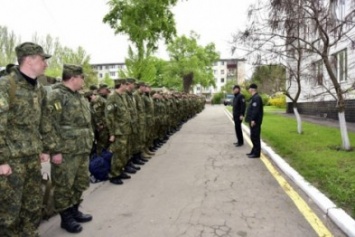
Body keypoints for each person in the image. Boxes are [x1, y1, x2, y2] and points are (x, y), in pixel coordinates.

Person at [0, 42, 51, 237]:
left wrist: (45, 148)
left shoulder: (39, 88)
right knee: (9, 211)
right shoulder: (6, 85)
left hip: (32, 156)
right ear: (29, 60)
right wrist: (1, 160)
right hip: (11, 159)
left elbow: (44, 120)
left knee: (32, 204)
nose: (45, 64)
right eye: (42, 59)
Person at [41, 64, 94, 233]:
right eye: (82, 77)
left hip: (82, 148)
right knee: (64, 185)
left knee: (80, 182)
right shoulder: (57, 95)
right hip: (65, 151)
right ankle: (66, 218)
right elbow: (48, 125)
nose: (84, 80)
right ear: (73, 78)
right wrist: (54, 151)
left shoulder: (79, 96)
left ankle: (74, 209)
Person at [245, 83, 264, 158]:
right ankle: (254, 151)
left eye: (249, 88)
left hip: (255, 121)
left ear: (252, 89)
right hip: (253, 121)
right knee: (253, 136)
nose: (248, 90)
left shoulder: (256, 98)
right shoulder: (253, 97)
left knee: (255, 137)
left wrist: (253, 120)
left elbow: (255, 110)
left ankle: (256, 153)